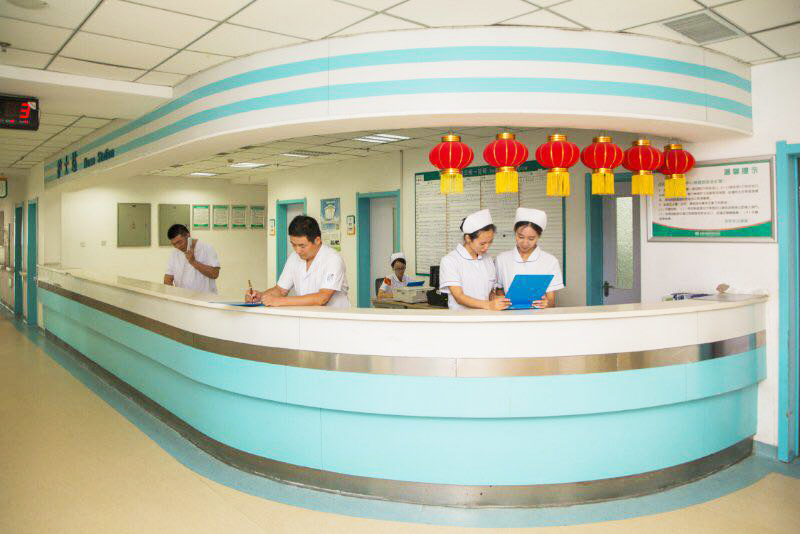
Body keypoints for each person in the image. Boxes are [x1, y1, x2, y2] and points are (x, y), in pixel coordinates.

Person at [246, 215, 349, 307]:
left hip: (334, 319)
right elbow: (280, 290)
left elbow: (322, 298)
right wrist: (261, 296)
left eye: (302, 246)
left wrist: (279, 301)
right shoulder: (294, 257)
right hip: (304, 318)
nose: (297, 250)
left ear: (317, 241)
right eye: (293, 245)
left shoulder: (332, 259)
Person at [439, 209, 510, 311]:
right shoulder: (450, 261)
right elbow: (459, 297)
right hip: (462, 318)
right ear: (468, 238)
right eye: (482, 243)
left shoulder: (487, 259)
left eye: (490, 242)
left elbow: (488, 293)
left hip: (486, 316)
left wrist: (499, 300)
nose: (486, 247)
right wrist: (489, 305)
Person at [495, 207, 564, 309]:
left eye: (531, 238)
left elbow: (551, 300)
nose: (525, 243)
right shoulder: (502, 259)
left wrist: (546, 304)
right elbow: (499, 290)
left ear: (539, 236)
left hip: (539, 315)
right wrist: (503, 301)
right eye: (520, 237)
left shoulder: (550, 261)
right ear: (515, 232)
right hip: (509, 314)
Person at [163, 224, 220, 294]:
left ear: (188, 236)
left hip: (206, 298)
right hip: (183, 298)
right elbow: (168, 279)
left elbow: (215, 274)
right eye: (174, 244)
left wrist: (193, 262)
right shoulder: (174, 253)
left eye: (179, 242)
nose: (178, 246)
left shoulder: (206, 248)